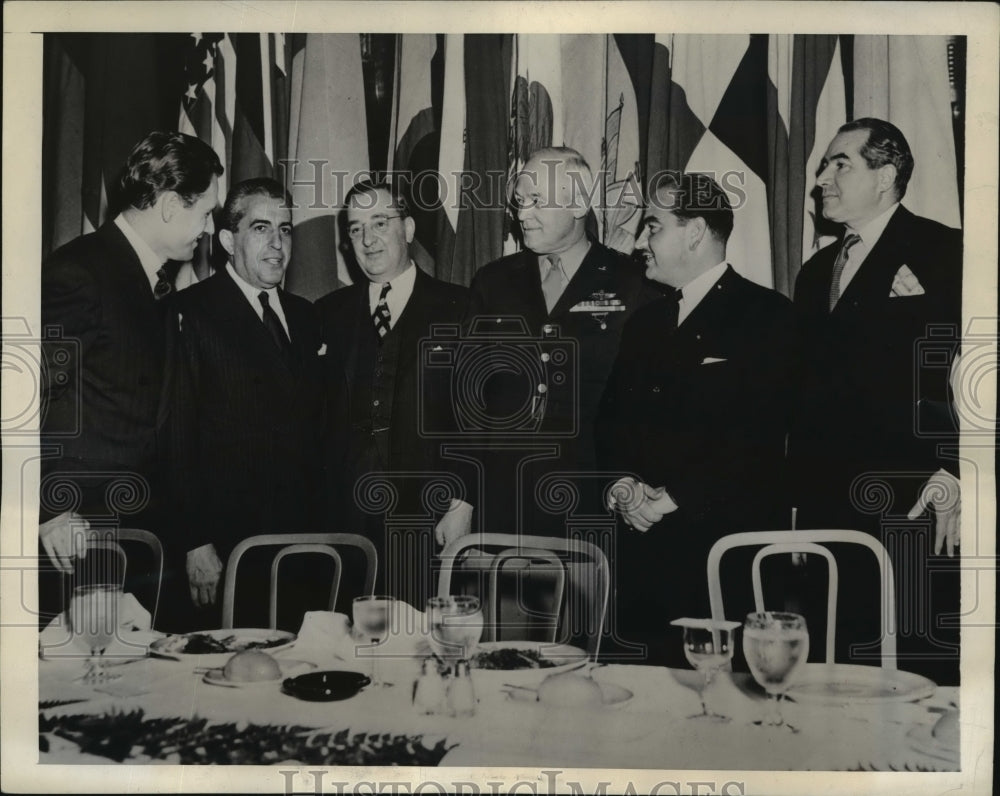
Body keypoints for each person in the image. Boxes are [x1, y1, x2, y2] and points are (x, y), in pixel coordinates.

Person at [596, 172, 795, 666]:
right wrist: (621, 484)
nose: (641, 242)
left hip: (723, 557)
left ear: (695, 231)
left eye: (653, 227)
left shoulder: (769, 316)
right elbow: (611, 421)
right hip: (641, 556)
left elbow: (762, 437)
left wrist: (676, 497)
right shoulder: (644, 324)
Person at [789, 118, 962, 683]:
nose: (822, 178)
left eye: (841, 164)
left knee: (908, 665)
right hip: (822, 506)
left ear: (885, 175)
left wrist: (956, 472)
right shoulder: (814, 274)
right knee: (832, 662)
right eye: (824, 165)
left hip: (909, 498)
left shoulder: (945, 251)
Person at [38, 131, 222, 625]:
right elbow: (19, 397)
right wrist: (46, 511)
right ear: (167, 206)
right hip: (77, 539)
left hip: (139, 540)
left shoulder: (152, 280)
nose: (207, 229)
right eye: (205, 213)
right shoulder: (80, 272)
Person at [455, 146, 663, 540]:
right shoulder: (493, 282)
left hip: (595, 501)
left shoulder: (633, 283)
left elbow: (648, 407)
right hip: (503, 501)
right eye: (519, 201)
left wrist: (632, 481)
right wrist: (462, 499)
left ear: (579, 203)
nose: (522, 214)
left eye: (536, 201)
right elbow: (468, 399)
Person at [162, 177, 323, 627]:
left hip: (302, 550)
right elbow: (176, 437)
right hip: (226, 552)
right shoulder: (189, 313)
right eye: (261, 228)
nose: (277, 244)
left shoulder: (308, 317)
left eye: (286, 229)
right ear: (229, 239)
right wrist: (194, 543)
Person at [317, 180, 470, 608]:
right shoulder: (326, 315)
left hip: (428, 516)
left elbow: (483, 418)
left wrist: (464, 501)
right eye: (355, 229)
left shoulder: (460, 308)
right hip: (342, 520)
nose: (367, 239)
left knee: (420, 644)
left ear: (408, 229)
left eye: (380, 223)